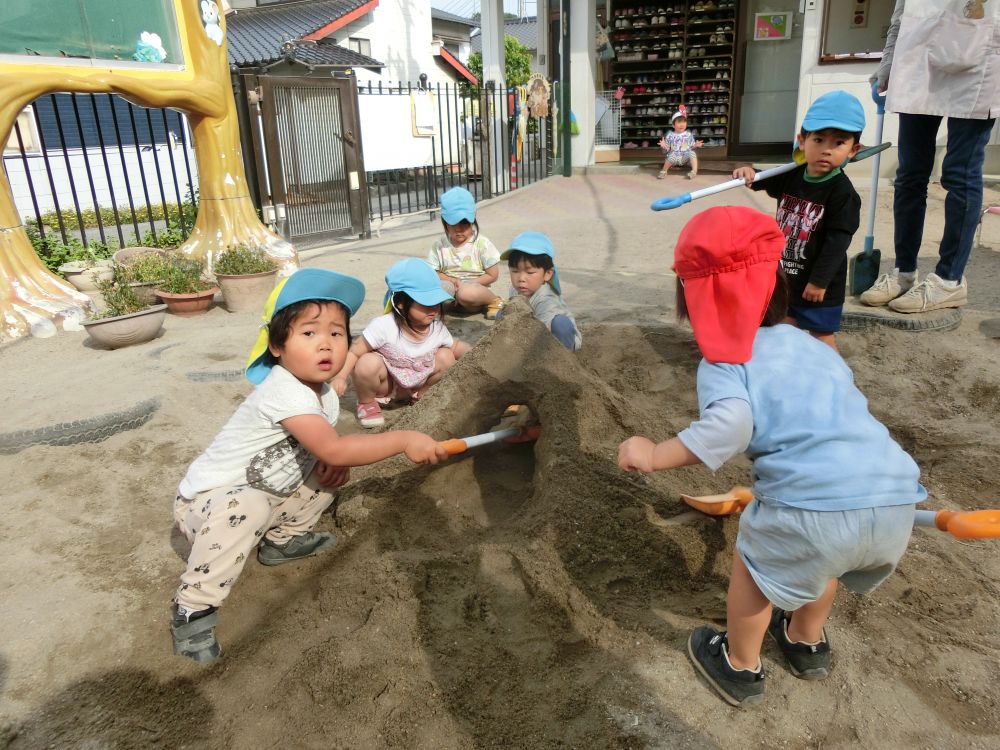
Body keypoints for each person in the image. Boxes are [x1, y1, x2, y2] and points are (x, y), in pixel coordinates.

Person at [618, 206, 925, 708]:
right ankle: (806, 642)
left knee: (754, 566)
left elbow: (729, 427)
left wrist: (652, 454)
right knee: (823, 567)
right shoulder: (816, 346)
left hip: (810, 508)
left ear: (693, 301)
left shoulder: (726, 361)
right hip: (891, 497)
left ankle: (739, 666)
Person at [170, 268, 447, 664]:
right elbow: (334, 446)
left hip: (265, 493)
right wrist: (403, 440)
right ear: (277, 346)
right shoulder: (282, 390)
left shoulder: (324, 395)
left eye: (336, 333)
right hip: (209, 505)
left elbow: (326, 452)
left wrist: (328, 459)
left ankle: (282, 540)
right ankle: (192, 608)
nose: (326, 345)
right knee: (269, 493)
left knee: (330, 470)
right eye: (309, 333)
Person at [860, 0, 998, 313]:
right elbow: (902, 11)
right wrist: (888, 63)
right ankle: (905, 272)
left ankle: (949, 280)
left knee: (959, 174)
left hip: (979, 56)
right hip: (917, 59)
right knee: (910, 175)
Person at [733, 90, 863, 350]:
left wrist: (819, 282)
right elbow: (760, 181)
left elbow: (837, 243)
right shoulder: (792, 175)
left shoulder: (842, 193)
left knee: (821, 336)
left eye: (839, 143)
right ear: (802, 141)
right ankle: (788, 373)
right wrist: (749, 172)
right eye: (819, 139)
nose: (826, 150)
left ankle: (833, 379)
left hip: (819, 285)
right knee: (783, 328)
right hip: (785, 276)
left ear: (853, 150)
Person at [333, 258, 470, 428]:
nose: (433, 309)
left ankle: (422, 395)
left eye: (436, 302)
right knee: (366, 363)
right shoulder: (384, 326)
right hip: (388, 386)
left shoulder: (436, 327)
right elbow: (354, 351)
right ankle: (366, 404)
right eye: (426, 303)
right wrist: (340, 376)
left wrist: (477, 354)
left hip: (419, 382)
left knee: (447, 356)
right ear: (400, 303)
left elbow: (456, 346)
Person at [426, 186, 504, 319]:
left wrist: (468, 283)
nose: (459, 229)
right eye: (453, 223)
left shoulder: (482, 244)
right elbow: (434, 272)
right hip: (452, 291)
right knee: (432, 286)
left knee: (465, 293)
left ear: (473, 220)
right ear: (445, 222)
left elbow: (493, 275)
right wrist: (452, 280)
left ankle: (494, 301)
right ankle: (445, 307)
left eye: (464, 223)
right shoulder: (439, 245)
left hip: (474, 292)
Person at [497, 231, 581, 352]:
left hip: (553, 336)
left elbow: (543, 333)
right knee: (502, 313)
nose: (521, 279)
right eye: (515, 271)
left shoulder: (546, 299)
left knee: (560, 323)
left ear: (547, 274)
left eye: (530, 273)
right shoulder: (515, 289)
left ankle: (565, 359)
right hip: (530, 331)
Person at [657, 106, 703, 180]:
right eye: (679, 122)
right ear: (673, 125)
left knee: (692, 153)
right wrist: (664, 146)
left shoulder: (688, 134)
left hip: (684, 158)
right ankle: (664, 170)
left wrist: (695, 145)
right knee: (671, 155)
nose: (682, 124)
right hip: (673, 158)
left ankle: (694, 171)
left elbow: (691, 147)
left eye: (684, 122)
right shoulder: (670, 135)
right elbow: (667, 149)